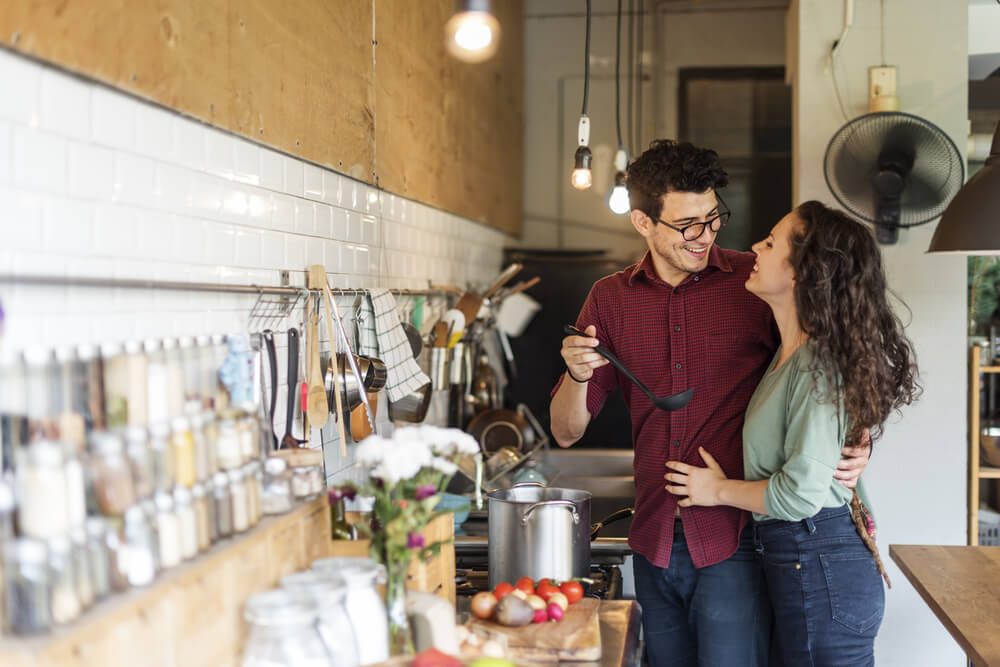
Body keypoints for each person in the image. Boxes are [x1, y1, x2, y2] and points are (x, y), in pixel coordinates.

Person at [549, 139, 870, 666]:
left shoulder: (755, 284)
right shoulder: (609, 299)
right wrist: (576, 373)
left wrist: (859, 438)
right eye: (686, 224)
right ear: (643, 223)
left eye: (712, 217)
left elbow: (834, 356)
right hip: (652, 538)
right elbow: (565, 432)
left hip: (736, 539)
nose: (704, 235)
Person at [664, 201, 920, 665]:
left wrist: (717, 490)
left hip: (819, 561)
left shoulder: (815, 362)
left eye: (770, 241)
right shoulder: (791, 357)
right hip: (809, 562)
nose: (755, 248)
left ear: (805, 270)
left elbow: (801, 495)